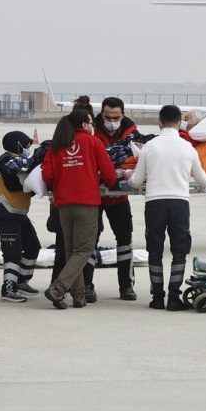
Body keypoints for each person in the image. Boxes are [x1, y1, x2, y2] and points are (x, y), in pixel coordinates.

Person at [127, 105, 206, 311]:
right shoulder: (188, 148)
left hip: (155, 203)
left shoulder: (150, 147)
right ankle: (174, 297)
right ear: (179, 123)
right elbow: (203, 180)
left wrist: (128, 180)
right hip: (179, 204)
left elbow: (137, 180)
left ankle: (157, 297)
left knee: (155, 250)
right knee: (179, 251)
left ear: (159, 123)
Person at [41, 109, 117, 309]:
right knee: (84, 250)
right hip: (86, 203)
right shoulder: (93, 143)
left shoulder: (57, 145)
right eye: (91, 122)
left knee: (71, 251)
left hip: (63, 205)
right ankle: (58, 288)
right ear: (85, 125)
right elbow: (109, 174)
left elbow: (47, 174)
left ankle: (78, 295)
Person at [91, 96, 139, 301]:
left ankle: (126, 286)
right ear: (101, 115)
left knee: (125, 240)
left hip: (119, 197)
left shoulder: (131, 133)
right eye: (108, 117)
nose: (112, 121)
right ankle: (86, 286)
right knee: (90, 241)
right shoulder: (91, 131)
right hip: (93, 196)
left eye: (116, 117)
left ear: (123, 115)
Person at [0, 131, 41, 302]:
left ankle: (21, 281)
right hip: (5, 213)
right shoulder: (6, 160)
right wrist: (39, 159)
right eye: (26, 146)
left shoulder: (16, 160)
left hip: (18, 214)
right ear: (17, 145)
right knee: (12, 252)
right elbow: (16, 185)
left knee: (33, 246)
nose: (28, 149)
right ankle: (8, 288)